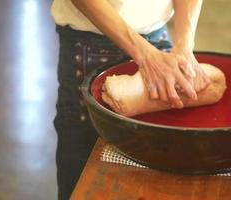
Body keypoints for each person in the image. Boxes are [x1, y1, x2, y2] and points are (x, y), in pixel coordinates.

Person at [51, 0, 210, 199]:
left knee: (160, 175)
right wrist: (144, 54)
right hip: (92, 43)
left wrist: (185, 45)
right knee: (86, 175)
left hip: (158, 41)